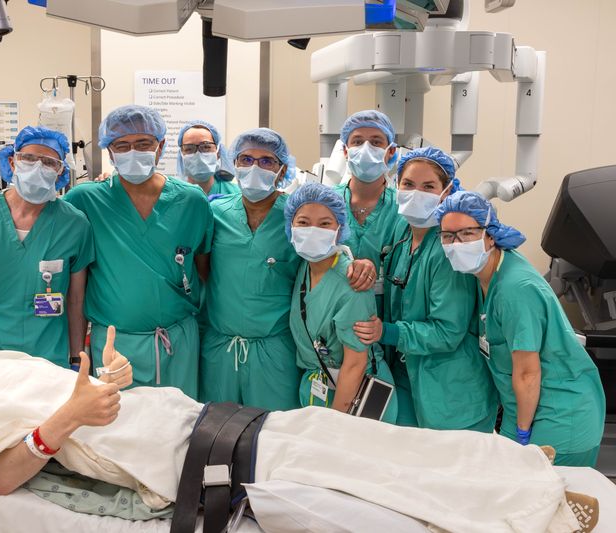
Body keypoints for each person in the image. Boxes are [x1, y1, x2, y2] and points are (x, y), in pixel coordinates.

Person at [0, 304, 591, 533]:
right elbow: (0, 476)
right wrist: (66, 418)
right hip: (194, 459)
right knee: (363, 468)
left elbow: (77, 394)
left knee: (362, 436)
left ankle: (512, 467)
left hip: (190, 416)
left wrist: (108, 384)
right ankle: (525, 504)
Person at [199, 129, 379, 411]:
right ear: (232, 163)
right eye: (245, 159)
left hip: (276, 352)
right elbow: (202, 270)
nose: (255, 167)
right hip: (220, 349)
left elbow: (331, 253)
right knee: (216, 432)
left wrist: (364, 264)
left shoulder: (297, 216)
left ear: (283, 168)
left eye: (266, 161)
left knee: (273, 437)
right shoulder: (216, 214)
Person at [436, 191, 606, 466]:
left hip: (560, 417)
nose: (456, 244)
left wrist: (522, 436)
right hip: (525, 410)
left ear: (489, 235)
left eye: (466, 233)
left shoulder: (515, 289)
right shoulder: (485, 278)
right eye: (447, 236)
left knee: (551, 501)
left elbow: (528, 373)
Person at [63, 105, 213, 398]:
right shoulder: (86, 200)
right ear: (109, 152)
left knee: (178, 431)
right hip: (113, 347)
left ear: (160, 148)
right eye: (122, 145)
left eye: (144, 143)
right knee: (115, 433)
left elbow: (205, 271)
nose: (133, 152)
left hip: (178, 344)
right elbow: (44, 223)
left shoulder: (192, 202)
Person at [352, 148, 497, 430]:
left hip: (450, 388)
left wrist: (387, 332)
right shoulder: (403, 235)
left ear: (447, 191)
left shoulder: (448, 249)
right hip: (407, 373)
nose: (416, 193)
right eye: (408, 184)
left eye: (428, 186)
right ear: (397, 186)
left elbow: (447, 332)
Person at [0, 126, 93, 368]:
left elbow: (76, 299)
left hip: (49, 358)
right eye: (29, 158)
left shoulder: (75, 224)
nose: (37, 167)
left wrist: (77, 357)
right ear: (13, 163)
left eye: (49, 162)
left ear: (60, 172)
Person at [285, 183, 397, 421]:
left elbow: (355, 365)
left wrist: (335, 423)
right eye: (303, 223)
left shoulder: (352, 284)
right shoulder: (306, 267)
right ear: (290, 227)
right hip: (321, 385)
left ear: (340, 229)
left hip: (357, 397)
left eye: (325, 223)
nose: (313, 231)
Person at [336, 110, 401, 284]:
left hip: (385, 309)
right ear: (345, 150)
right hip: (334, 307)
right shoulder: (327, 204)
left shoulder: (403, 207)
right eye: (357, 142)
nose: (366, 148)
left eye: (375, 142)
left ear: (391, 151)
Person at [175, 119, 239, 197]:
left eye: (206, 147)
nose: (198, 154)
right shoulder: (173, 197)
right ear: (181, 154)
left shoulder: (236, 194)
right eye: (189, 149)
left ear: (218, 152)